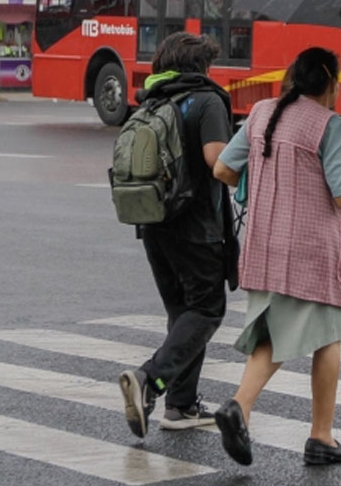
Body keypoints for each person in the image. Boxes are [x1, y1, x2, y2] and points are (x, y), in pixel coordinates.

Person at [212, 47, 341, 466]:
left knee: (275, 333)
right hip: (312, 249)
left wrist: (268, 175)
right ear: (331, 82)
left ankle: (241, 410)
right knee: (328, 335)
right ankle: (318, 436)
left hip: (264, 244)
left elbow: (223, 169)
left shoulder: (261, 113)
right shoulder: (329, 124)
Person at [118, 32, 234, 437]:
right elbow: (217, 161)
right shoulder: (207, 100)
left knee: (182, 313)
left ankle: (181, 406)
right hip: (197, 228)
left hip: (154, 223)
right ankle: (149, 380)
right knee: (206, 310)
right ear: (201, 67)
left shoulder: (151, 100)